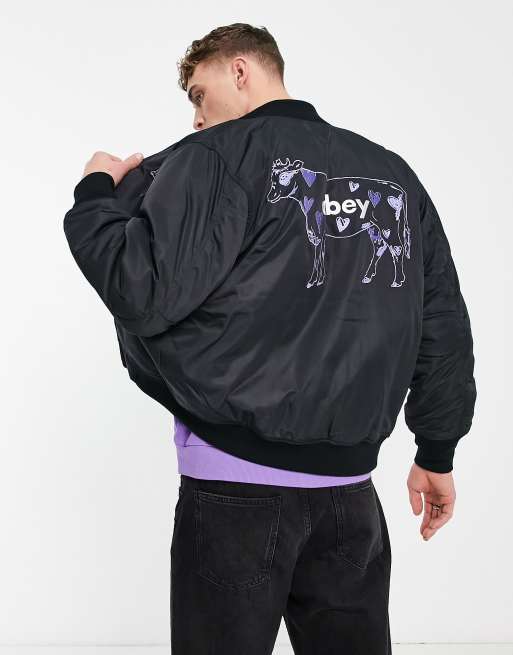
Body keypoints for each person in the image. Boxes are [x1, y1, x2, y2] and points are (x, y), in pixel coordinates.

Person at [63, 22, 476, 655]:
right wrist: (437, 452)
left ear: (240, 70)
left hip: (234, 493)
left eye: (199, 95)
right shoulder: (393, 175)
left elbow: (141, 288)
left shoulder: (215, 158)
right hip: (350, 500)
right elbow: (442, 323)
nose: (196, 118)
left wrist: (95, 192)